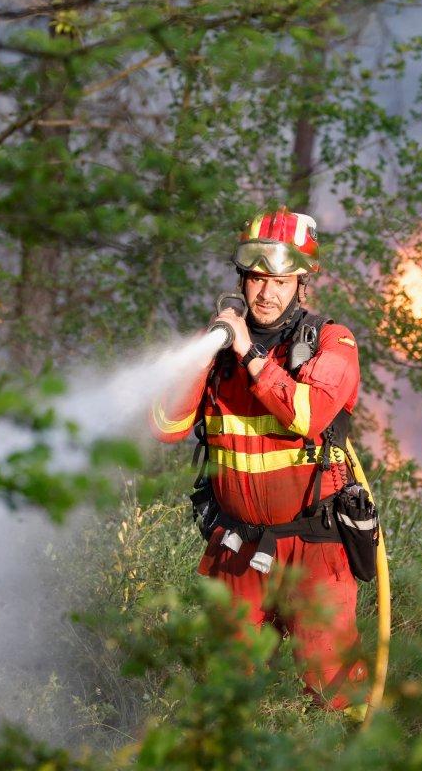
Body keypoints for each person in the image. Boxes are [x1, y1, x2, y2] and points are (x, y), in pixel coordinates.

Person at [151, 208, 370, 713]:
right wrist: (207, 351)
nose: (266, 293)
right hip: (236, 546)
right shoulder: (217, 349)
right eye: (256, 279)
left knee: (334, 685)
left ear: (301, 284)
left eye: (279, 282)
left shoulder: (332, 342)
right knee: (223, 690)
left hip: (313, 548)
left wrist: (250, 355)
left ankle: (352, 748)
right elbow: (166, 425)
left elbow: (308, 415)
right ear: (241, 282)